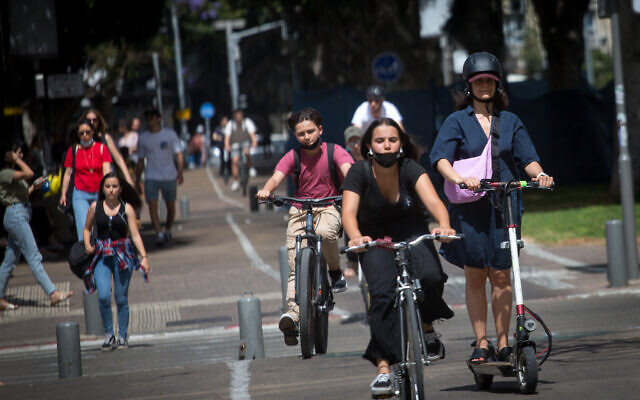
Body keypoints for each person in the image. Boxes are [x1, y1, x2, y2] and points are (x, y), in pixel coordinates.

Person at [429, 52, 554, 364]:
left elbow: (528, 159)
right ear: (470, 85)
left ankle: (502, 343)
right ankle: (481, 342)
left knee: (501, 275)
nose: (485, 85)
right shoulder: (456, 121)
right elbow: (439, 158)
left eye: (490, 80)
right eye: (478, 80)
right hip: (469, 208)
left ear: (498, 85)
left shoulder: (511, 121)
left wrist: (540, 175)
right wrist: (459, 178)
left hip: (505, 204)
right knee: (475, 275)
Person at [341, 118, 455, 396]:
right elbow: (348, 213)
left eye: (392, 139)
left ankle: (427, 327)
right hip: (373, 238)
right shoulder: (358, 172)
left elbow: (434, 202)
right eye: (380, 140)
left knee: (430, 277)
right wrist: (355, 237)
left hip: (412, 231)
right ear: (369, 145)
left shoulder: (411, 168)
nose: (387, 145)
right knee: (381, 296)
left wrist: (444, 224)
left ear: (401, 143)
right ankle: (383, 369)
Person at [256, 108, 354, 346]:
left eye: (311, 131)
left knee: (325, 232)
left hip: (329, 206)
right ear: (295, 135)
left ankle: (334, 270)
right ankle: (293, 314)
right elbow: (276, 176)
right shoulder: (293, 156)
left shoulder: (335, 151)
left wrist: (353, 186)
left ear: (320, 129)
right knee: (294, 264)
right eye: (301, 134)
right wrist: (267, 189)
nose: (307, 137)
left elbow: (348, 171)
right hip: (299, 209)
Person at [0, 143, 74, 311]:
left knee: (9, 262)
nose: (19, 155)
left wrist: (34, 187)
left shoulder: (12, 174)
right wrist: (16, 160)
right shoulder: (5, 173)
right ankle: (52, 293)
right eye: (16, 152)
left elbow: (23, 194)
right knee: (34, 256)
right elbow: (29, 173)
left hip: (21, 213)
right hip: (16, 216)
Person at [83, 171, 150, 350]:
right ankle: (109, 333)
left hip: (122, 255)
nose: (111, 190)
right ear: (102, 189)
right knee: (104, 295)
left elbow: (135, 235)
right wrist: (88, 244)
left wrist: (144, 257)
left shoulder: (126, 208)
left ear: (120, 189)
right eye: (107, 187)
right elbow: (86, 228)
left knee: (121, 298)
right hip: (102, 255)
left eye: (114, 187)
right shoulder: (95, 207)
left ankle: (122, 336)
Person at [135, 108, 184, 246]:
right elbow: (140, 161)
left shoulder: (170, 135)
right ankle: (159, 233)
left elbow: (179, 155)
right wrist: (137, 180)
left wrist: (180, 173)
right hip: (151, 175)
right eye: (148, 117)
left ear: (158, 119)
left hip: (169, 175)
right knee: (152, 204)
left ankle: (167, 229)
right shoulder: (143, 138)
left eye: (152, 117)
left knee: (170, 205)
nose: (150, 120)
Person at [60, 119, 113, 241]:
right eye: (81, 133)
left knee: (101, 227)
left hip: (99, 194)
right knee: (84, 228)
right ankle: (85, 257)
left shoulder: (101, 149)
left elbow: (107, 172)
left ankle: (101, 255)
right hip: (80, 194)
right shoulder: (73, 150)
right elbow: (67, 174)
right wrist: (63, 193)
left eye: (87, 132)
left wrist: (108, 191)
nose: (84, 135)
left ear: (93, 132)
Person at [80, 109, 134, 185]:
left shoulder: (105, 138)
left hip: (105, 179)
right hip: (87, 182)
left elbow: (118, 159)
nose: (92, 122)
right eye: (89, 120)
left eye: (94, 120)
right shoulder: (80, 140)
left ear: (98, 122)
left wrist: (128, 178)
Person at [224, 109, 258, 191]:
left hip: (245, 142)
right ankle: (236, 181)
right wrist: (227, 145)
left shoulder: (247, 122)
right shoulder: (230, 124)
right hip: (235, 143)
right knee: (235, 161)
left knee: (247, 153)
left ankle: (249, 167)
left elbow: (252, 134)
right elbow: (227, 137)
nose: (239, 117)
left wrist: (254, 142)